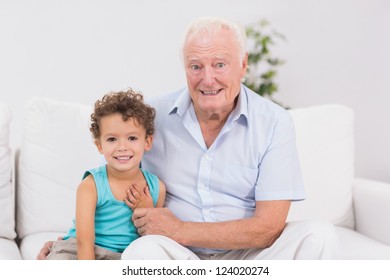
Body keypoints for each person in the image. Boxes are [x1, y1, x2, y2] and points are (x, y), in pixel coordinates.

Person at [37, 17, 340, 260]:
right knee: (143, 251)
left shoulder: (274, 123)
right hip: (179, 257)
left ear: (243, 65)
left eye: (220, 64)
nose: (208, 79)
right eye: (196, 66)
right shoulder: (152, 116)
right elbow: (115, 172)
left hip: (252, 256)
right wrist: (73, 243)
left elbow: (268, 228)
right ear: (185, 68)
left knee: (319, 235)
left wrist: (181, 229)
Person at [45, 89, 166, 260]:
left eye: (132, 138)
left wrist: (147, 210)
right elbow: (84, 242)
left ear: (147, 142)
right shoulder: (91, 185)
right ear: (99, 145)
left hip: (124, 256)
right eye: (112, 139)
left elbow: (153, 239)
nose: (122, 147)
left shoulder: (157, 188)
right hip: (80, 251)